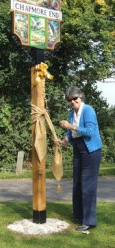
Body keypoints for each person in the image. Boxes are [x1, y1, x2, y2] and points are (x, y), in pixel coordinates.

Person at [55, 86, 102, 232]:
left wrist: (71, 126)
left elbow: (91, 131)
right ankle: (78, 215)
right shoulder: (71, 113)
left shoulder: (88, 110)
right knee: (77, 184)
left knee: (88, 186)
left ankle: (89, 221)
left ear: (80, 97)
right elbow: (70, 134)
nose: (72, 102)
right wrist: (62, 141)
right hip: (78, 149)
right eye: (69, 100)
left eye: (74, 98)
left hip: (91, 151)